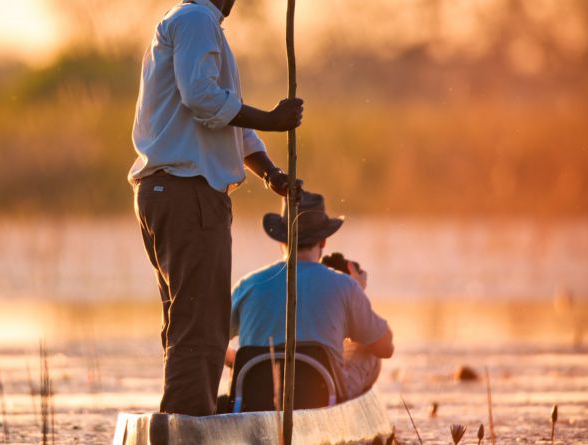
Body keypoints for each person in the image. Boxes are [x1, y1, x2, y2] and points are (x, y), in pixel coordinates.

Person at [129, 0, 304, 416]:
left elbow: (225, 117)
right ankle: (188, 426)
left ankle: (181, 420)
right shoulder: (195, 19)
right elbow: (203, 99)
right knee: (202, 324)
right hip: (187, 193)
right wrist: (272, 119)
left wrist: (270, 173)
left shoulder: (195, 24)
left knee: (187, 320)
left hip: (171, 192)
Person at [227, 192, 394, 398]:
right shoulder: (345, 286)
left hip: (254, 398)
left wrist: (239, 362)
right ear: (323, 242)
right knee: (367, 351)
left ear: (281, 240)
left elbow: (208, 342)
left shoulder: (247, 285)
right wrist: (357, 290)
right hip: (321, 397)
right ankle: (345, 410)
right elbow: (385, 347)